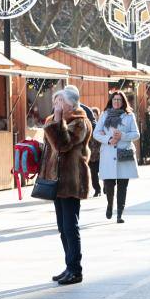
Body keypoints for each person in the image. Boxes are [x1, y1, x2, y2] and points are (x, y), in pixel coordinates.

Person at [41, 87, 92, 286]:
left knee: (71, 226)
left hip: (72, 180)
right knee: (62, 227)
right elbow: (49, 149)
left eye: (60, 101)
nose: (56, 105)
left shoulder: (80, 121)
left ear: (71, 103)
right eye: (55, 101)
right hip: (56, 180)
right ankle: (69, 266)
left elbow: (62, 144)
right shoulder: (53, 120)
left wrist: (58, 119)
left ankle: (75, 269)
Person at [92, 90, 139, 224]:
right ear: (111, 101)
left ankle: (119, 214)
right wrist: (108, 139)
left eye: (119, 100)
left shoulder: (129, 116)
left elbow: (136, 134)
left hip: (123, 153)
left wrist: (122, 136)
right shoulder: (105, 115)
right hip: (108, 154)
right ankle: (109, 205)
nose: (116, 102)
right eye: (114, 100)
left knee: (123, 186)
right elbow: (96, 133)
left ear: (123, 101)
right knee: (109, 184)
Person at [88, 107, 102, 197]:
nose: (93, 117)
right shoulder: (88, 127)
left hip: (101, 154)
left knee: (103, 172)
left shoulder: (101, 127)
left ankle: (106, 187)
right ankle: (97, 189)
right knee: (93, 174)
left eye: (95, 115)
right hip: (91, 154)